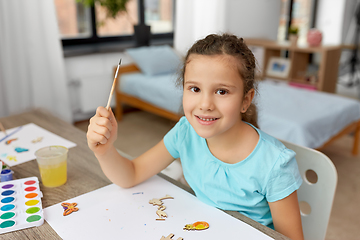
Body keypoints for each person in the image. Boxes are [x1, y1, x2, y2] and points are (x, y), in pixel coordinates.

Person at [86, 33, 304, 240]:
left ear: (246, 100)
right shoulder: (185, 132)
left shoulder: (275, 164)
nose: (205, 105)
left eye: (222, 91)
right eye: (194, 89)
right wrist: (105, 150)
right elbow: (131, 175)